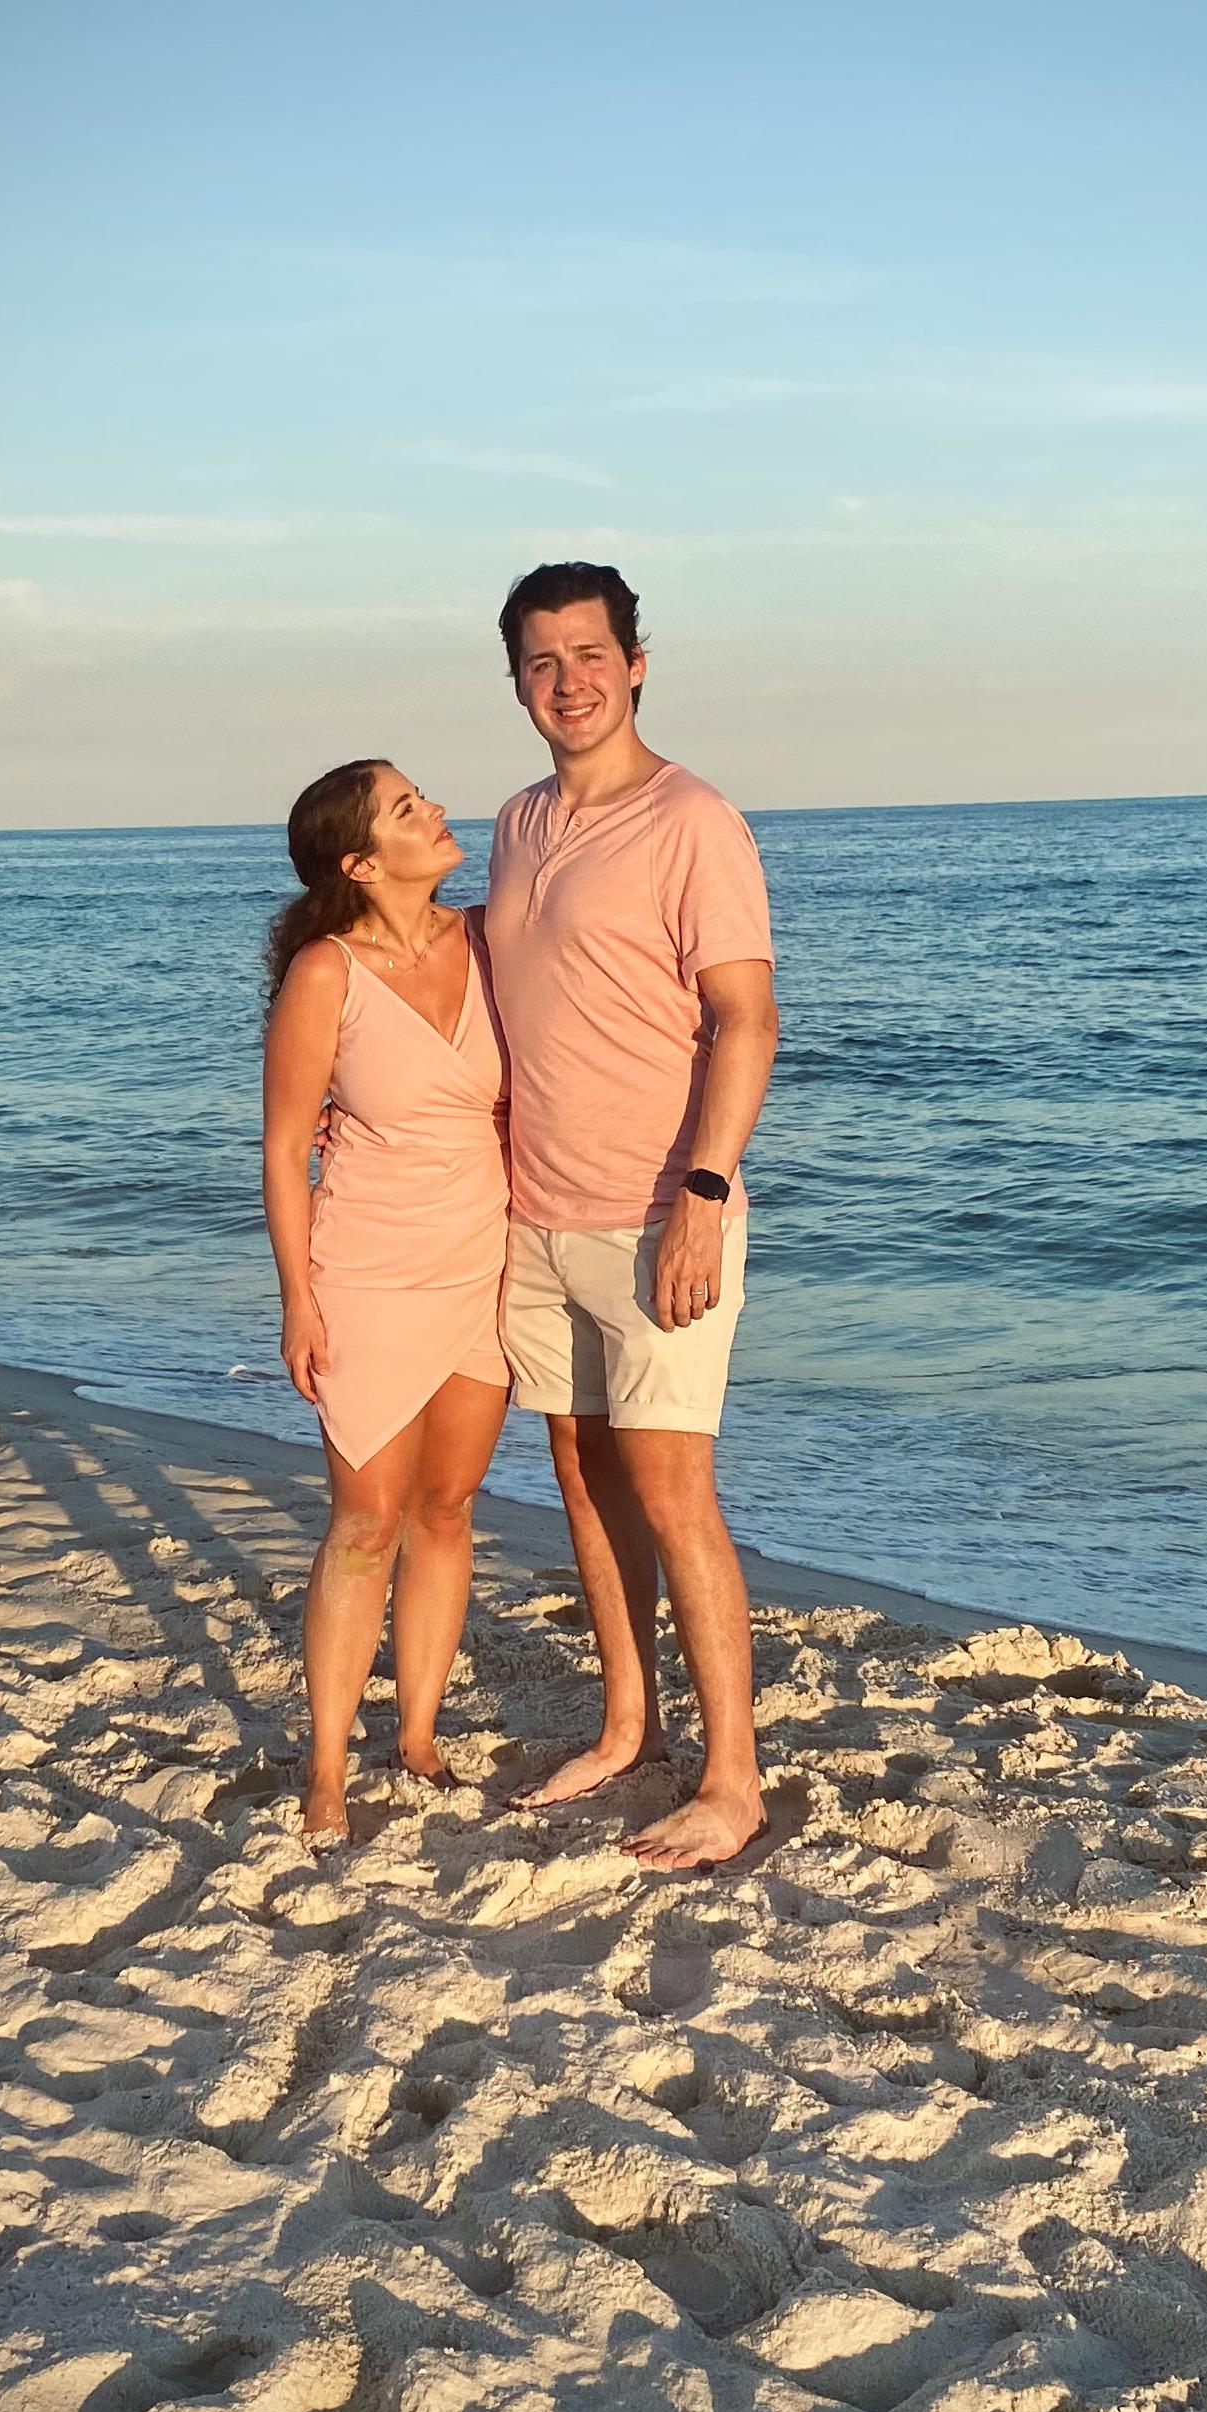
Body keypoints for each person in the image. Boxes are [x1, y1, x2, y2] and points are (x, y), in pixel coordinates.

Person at [484, 562, 780, 1872]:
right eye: (543, 661)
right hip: (535, 1214)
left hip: (659, 1209)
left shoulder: (692, 817)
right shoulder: (513, 822)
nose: (570, 680)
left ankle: (733, 1777)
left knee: (670, 1487)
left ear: (637, 661)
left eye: (590, 653)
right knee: (582, 1478)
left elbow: (747, 1017)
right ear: (518, 682)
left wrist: (704, 1193)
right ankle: (625, 1722)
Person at [261, 760, 511, 1844]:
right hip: (365, 1265)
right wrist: (297, 1300)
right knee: (366, 1520)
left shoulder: (491, 941)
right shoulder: (325, 973)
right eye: (408, 808)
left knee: (447, 1508)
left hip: (486, 1258)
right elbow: (282, 1146)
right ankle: (324, 1769)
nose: (437, 810)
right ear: (360, 863)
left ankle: (416, 1736)